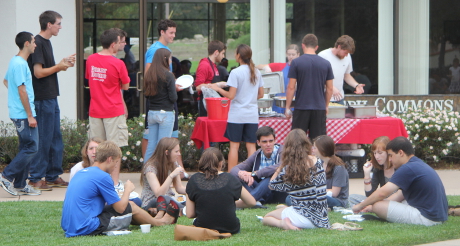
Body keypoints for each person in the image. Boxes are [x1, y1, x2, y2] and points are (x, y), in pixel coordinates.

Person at [61, 141, 178, 237]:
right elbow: (121, 208)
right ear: (109, 159)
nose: (115, 167)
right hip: (85, 227)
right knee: (130, 206)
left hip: (68, 225)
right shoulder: (103, 176)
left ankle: (154, 219)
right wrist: (127, 190)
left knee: (129, 205)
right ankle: (160, 222)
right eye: (116, 162)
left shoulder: (81, 173)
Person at [352, 137, 448, 226]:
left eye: (391, 155)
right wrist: (369, 206)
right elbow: (399, 194)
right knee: (378, 204)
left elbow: (382, 193)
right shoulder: (416, 163)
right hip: (438, 216)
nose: (389, 159)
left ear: (401, 153)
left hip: (428, 218)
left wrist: (360, 206)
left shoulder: (407, 168)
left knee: (378, 206)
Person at [28, 10, 75, 191]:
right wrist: (59, 66)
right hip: (42, 99)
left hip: (51, 97)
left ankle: (53, 175)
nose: (60, 27)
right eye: (58, 24)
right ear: (49, 25)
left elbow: (48, 69)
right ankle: (36, 178)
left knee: (56, 138)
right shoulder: (38, 43)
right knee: (44, 138)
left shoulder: (46, 42)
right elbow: (38, 73)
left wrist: (61, 65)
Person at [85, 28, 130, 191]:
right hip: (113, 111)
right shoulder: (118, 63)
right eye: (121, 41)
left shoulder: (90, 59)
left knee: (95, 148)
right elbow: (125, 85)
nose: (123, 44)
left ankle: (95, 183)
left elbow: (90, 80)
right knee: (115, 149)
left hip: (95, 110)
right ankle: (115, 184)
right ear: (113, 44)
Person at [210, 44, 264, 171]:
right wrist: (249, 98)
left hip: (237, 114)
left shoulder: (235, 72)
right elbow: (261, 94)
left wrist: (217, 88)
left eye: (235, 53)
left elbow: (231, 96)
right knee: (251, 147)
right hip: (251, 115)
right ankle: (251, 174)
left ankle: (232, 174)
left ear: (239, 56)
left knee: (234, 146)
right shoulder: (256, 71)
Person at [262, 129, 329, 230]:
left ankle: (283, 224)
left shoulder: (288, 169)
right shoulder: (318, 162)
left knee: (266, 218)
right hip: (322, 219)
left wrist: (281, 165)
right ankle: (289, 216)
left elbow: (271, 185)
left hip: (303, 218)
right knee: (284, 208)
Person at [0, 32, 41, 196]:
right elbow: (21, 90)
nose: (35, 45)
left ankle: (20, 183)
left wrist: (15, 100)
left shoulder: (16, 62)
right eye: (33, 42)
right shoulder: (19, 64)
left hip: (21, 111)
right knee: (32, 147)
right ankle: (6, 176)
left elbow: (6, 81)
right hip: (23, 114)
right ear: (26, 44)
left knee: (26, 147)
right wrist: (29, 115)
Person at [186, 147, 256, 234]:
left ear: (201, 162)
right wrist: (229, 204)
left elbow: (190, 214)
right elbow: (251, 202)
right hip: (231, 228)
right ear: (221, 163)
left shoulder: (193, 180)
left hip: (204, 228)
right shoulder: (230, 178)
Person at [284, 34, 333, 141]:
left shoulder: (296, 63)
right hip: (319, 107)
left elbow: (291, 87)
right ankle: (316, 158)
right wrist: (326, 105)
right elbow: (329, 89)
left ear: (302, 46)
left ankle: (299, 158)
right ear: (316, 47)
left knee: (297, 142)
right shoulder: (326, 64)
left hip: (301, 106)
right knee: (318, 143)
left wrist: (287, 107)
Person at [230, 126, 287, 206]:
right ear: (258, 143)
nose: (268, 144)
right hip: (259, 190)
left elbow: (280, 166)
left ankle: (247, 201)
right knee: (237, 177)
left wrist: (254, 174)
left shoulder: (282, 151)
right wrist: (242, 174)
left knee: (269, 178)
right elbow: (233, 170)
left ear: (275, 140)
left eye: (271, 141)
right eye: (264, 142)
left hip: (275, 191)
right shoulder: (257, 154)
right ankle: (257, 201)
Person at [143, 48, 177, 162]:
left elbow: (146, 95)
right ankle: (160, 175)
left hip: (152, 112)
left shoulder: (150, 74)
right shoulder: (169, 75)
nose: (171, 61)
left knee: (151, 146)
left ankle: (147, 174)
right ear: (165, 59)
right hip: (166, 113)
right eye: (170, 58)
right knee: (164, 147)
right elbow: (173, 98)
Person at [140, 138, 186, 216]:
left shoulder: (173, 163)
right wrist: (171, 176)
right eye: (176, 151)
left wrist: (195, 191)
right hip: (152, 202)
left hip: (170, 200)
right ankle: (184, 210)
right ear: (167, 152)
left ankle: (183, 209)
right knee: (166, 199)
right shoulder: (150, 168)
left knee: (189, 200)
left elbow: (179, 188)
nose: (179, 154)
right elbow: (159, 194)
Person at [318, 35, 364, 105]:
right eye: (345, 52)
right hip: (322, 98)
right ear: (339, 46)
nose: (346, 55)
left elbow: (346, 75)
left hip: (339, 98)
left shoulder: (347, 57)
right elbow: (318, 78)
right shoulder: (323, 56)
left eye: (348, 53)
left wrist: (356, 85)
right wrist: (331, 88)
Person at [348, 136, 394, 206]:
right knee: (351, 197)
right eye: (375, 153)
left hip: (395, 201)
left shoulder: (397, 166)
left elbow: (401, 194)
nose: (377, 156)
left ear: (388, 152)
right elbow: (369, 195)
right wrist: (367, 174)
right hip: (381, 201)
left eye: (380, 153)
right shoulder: (378, 169)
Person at [257, 44, 301, 113]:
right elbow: (258, 67)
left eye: (293, 54)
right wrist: (265, 67)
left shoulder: (302, 68)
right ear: (286, 54)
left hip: (296, 103)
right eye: (289, 54)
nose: (291, 57)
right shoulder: (281, 66)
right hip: (280, 103)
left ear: (298, 55)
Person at [313, 135, 349, 208]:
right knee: (291, 197)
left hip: (338, 201)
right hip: (321, 195)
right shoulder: (319, 164)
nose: (312, 150)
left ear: (322, 150)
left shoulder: (339, 167)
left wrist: (314, 192)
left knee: (312, 198)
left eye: (315, 148)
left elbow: (334, 193)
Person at [195, 40, 227, 116]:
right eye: (222, 53)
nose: (223, 56)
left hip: (213, 102)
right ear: (216, 53)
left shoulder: (214, 65)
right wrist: (218, 85)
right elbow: (198, 87)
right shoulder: (204, 65)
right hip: (205, 103)